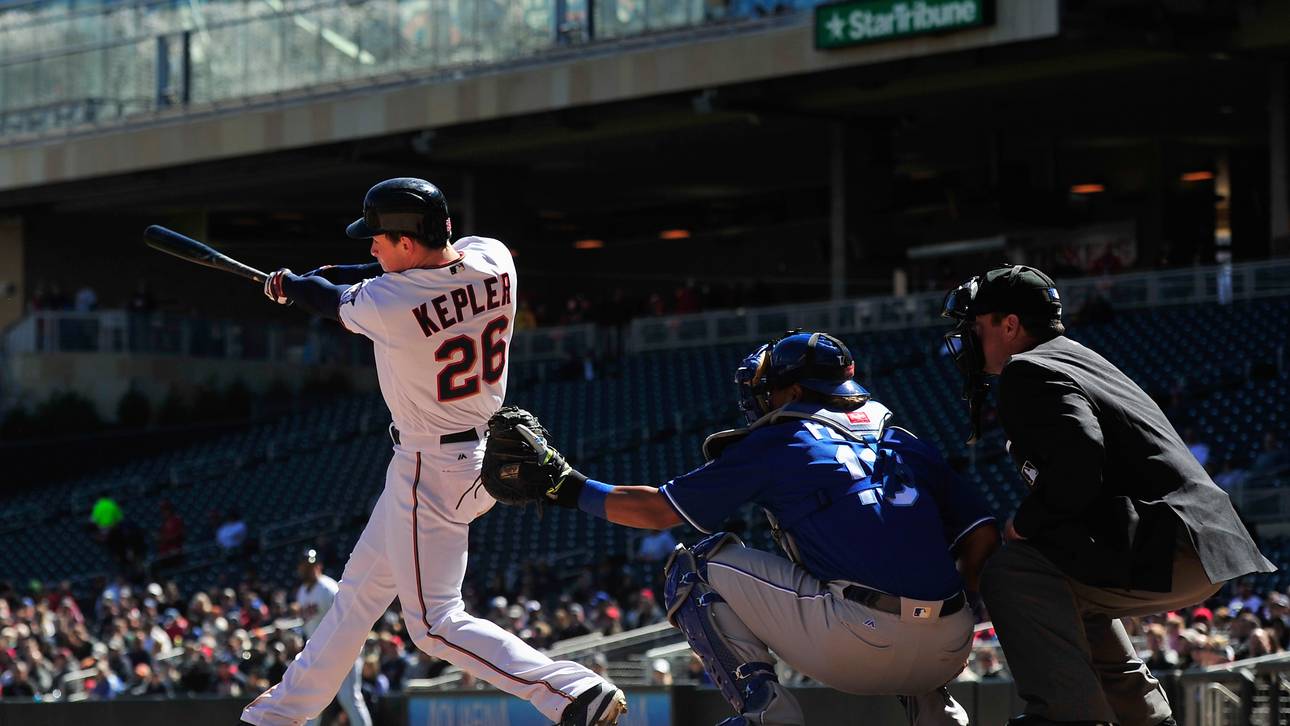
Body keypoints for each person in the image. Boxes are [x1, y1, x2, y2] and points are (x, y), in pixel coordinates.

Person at [241, 177, 625, 726]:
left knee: (433, 622)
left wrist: (292, 287)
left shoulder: (389, 305)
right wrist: (312, 279)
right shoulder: (494, 259)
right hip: (486, 456)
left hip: (430, 467)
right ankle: (277, 716)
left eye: (378, 237)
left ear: (406, 241)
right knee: (357, 595)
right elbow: (397, 275)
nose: (370, 246)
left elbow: (333, 301)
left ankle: (571, 692)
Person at [500, 331, 999, 726]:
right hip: (950, 647)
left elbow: (656, 511)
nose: (760, 398)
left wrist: (563, 486)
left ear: (797, 391)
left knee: (693, 565)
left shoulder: (785, 438)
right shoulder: (905, 440)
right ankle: (939, 714)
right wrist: (940, 607)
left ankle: (767, 716)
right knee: (902, 565)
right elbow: (982, 534)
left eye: (769, 388)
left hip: (858, 645)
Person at [940, 263, 1276, 726]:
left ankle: (1065, 716)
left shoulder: (1028, 368)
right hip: (1201, 539)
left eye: (978, 325)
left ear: (1010, 324)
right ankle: (1146, 717)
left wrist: (1024, 523)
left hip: (1171, 534)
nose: (970, 338)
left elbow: (1079, 462)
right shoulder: (1073, 356)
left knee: (1012, 570)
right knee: (1067, 589)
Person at [294, 548, 371, 726]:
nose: (309, 569)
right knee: (312, 701)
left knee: (349, 698)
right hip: (319, 653)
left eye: (311, 565)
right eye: (305, 566)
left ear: (319, 566)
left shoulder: (328, 588)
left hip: (343, 648)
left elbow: (349, 616)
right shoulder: (301, 592)